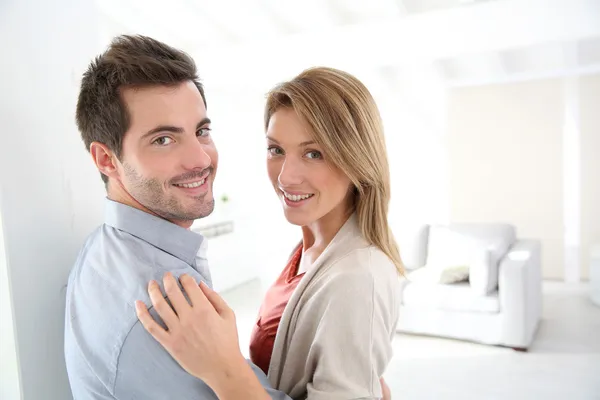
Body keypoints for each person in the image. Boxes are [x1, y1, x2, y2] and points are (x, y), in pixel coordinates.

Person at [136, 67, 403, 399]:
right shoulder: (311, 248)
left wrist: (223, 369)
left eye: (314, 153)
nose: (286, 177)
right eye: (276, 150)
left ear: (357, 158)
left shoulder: (358, 279)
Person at [64, 34, 290, 400]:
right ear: (107, 160)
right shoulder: (165, 306)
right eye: (163, 140)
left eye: (201, 131)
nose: (200, 159)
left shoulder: (102, 247)